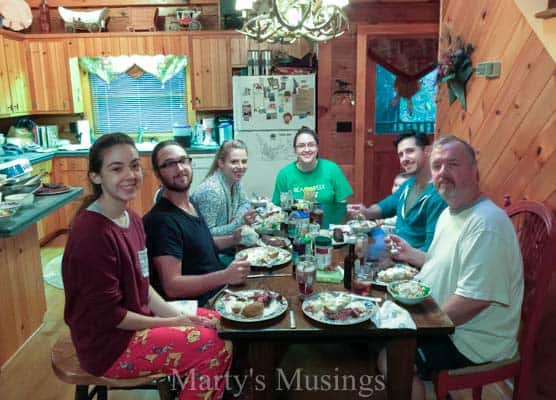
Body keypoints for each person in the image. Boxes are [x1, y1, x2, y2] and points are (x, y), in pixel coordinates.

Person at [62, 133, 231, 400]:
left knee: (225, 324)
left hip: (135, 325)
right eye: (116, 168)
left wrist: (173, 315)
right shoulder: (91, 234)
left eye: (134, 165)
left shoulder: (132, 219)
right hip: (109, 346)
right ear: (96, 176)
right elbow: (110, 317)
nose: (130, 175)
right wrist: (175, 321)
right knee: (213, 346)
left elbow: (144, 284)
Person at [380, 135, 524, 400]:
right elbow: (445, 265)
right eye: (437, 166)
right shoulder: (451, 212)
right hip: (447, 322)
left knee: (392, 356)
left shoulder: (486, 225)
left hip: (471, 341)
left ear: (474, 170)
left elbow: (472, 301)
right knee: (378, 326)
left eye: (453, 164)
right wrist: (412, 255)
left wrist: (414, 326)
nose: (443, 173)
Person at [143, 140, 251, 306]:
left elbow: (201, 245)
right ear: (157, 174)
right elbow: (172, 286)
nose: (180, 169)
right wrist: (225, 275)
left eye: (183, 160)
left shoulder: (189, 204)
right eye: (170, 164)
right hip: (200, 306)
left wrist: (233, 239)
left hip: (220, 290)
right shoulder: (161, 222)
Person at [352, 132, 447, 251]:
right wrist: (366, 211)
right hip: (395, 252)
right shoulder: (409, 184)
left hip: (414, 263)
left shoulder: (438, 195)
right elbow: (387, 205)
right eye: (401, 154)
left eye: (410, 151)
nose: (404, 159)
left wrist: (403, 258)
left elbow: (431, 249)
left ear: (427, 151)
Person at [271, 126, 353, 227]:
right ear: (295, 150)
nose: (307, 149)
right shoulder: (284, 174)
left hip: (328, 233)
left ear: (317, 148)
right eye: (301, 146)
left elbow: (342, 206)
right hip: (295, 234)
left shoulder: (332, 169)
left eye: (311, 145)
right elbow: (278, 209)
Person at [191, 140, 257, 236]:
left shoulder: (235, 180)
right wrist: (240, 223)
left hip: (226, 241)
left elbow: (245, 203)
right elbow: (206, 235)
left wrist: (236, 218)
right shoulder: (211, 191)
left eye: (244, 161)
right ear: (221, 163)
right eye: (234, 162)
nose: (241, 166)